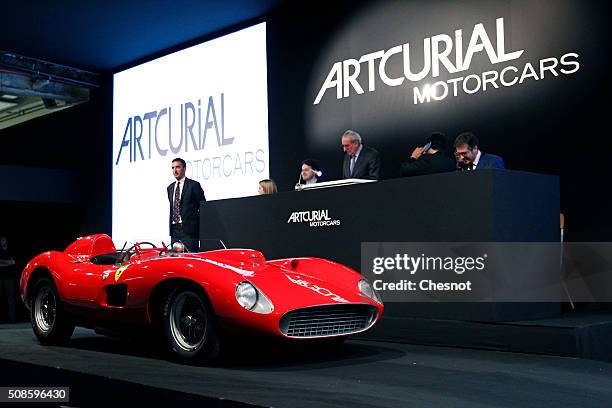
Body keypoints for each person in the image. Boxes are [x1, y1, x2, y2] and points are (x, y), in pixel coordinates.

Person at [167, 158, 206, 252]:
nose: (175, 170)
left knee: (190, 258)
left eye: (177, 167)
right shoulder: (170, 188)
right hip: (174, 232)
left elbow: (203, 207)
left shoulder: (194, 185)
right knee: (176, 261)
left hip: (189, 232)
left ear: (184, 168)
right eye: (173, 168)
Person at [0, 236, 16, 322]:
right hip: (0, 277)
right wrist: (8, 262)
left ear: (6, 241)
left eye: (3, 240)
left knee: (11, 299)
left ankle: (11, 318)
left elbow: (13, 262)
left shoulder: (11, 251)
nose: (2, 241)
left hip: (9, 278)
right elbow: (10, 262)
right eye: (1, 240)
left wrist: (2, 262)